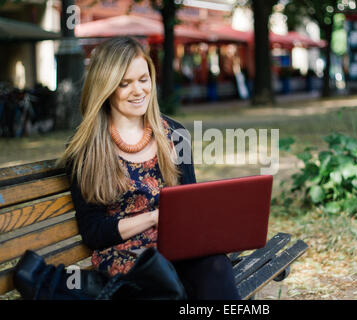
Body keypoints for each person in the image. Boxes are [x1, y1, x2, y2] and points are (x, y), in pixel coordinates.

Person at [58, 36, 240, 300]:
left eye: (144, 79)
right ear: (106, 87)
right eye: (125, 83)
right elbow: (93, 231)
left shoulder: (175, 134)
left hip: (177, 245)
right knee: (166, 282)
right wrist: (153, 218)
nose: (138, 90)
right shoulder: (86, 151)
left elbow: (190, 200)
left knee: (215, 265)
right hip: (127, 256)